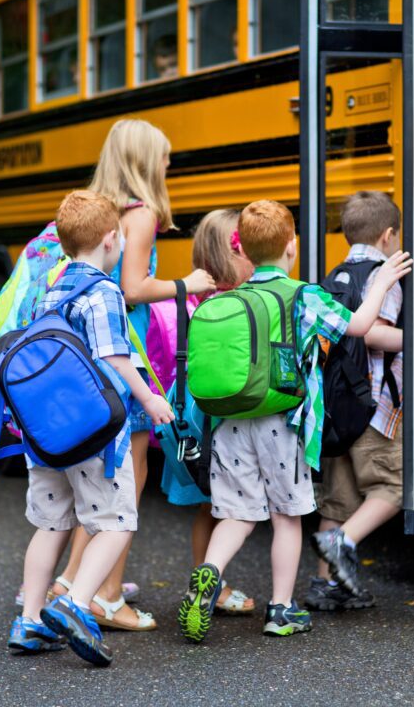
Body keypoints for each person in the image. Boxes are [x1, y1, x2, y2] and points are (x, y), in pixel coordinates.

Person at [177, 200, 412, 641]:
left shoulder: (232, 297)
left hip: (230, 423)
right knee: (286, 517)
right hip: (282, 424)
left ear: (243, 251)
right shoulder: (304, 295)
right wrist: (379, 283)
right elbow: (360, 326)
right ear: (292, 246)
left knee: (237, 516)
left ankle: (209, 572)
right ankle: (281, 610)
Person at [48, 119, 215, 631]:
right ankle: (107, 595)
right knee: (128, 478)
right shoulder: (139, 215)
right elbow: (134, 287)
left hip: (88, 358)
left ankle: (71, 581)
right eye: (164, 158)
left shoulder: (98, 207)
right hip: (127, 348)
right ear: (146, 161)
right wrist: (186, 282)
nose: (168, 166)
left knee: (101, 481)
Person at [8, 190, 174, 666]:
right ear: (110, 239)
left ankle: (32, 619)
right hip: (94, 434)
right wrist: (150, 398)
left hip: (45, 432)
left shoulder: (51, 287)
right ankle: (76, 602)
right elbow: (113, 357)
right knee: (119, 521)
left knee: (51, 524)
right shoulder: (103, 291)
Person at [306, 191, 414, 611]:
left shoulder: (337, 275)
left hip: (336, 407)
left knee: (339, 501)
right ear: (389, 234)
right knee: (394, 485)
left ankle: (326, 586)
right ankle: (340, 543)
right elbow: (374, 332)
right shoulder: (387, 273)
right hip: (373, 409)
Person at [154, 209, 256, 613]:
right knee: (228, 505)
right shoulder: (234, 304)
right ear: (234, 254)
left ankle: (204, 580)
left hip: (193, 410)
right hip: (220, 414)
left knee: (206, 505)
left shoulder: (199, 299)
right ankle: (214, 583)